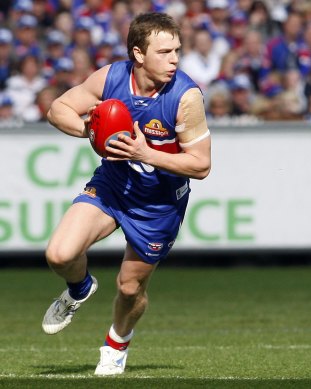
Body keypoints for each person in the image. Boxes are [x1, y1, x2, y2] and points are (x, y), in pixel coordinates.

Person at [41, 12, 212, 376]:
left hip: (158, 204)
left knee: (130, 287)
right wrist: (90, 131)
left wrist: (145, 153)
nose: (175, 59)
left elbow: (201, 165)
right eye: (164, 52)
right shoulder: (111, 77)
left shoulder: (186, 96)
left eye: (177, 51)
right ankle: (79, 288)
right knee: (59, 254)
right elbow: (58, 110)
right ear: (138, 53)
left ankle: (116, 344)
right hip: (113, 186)